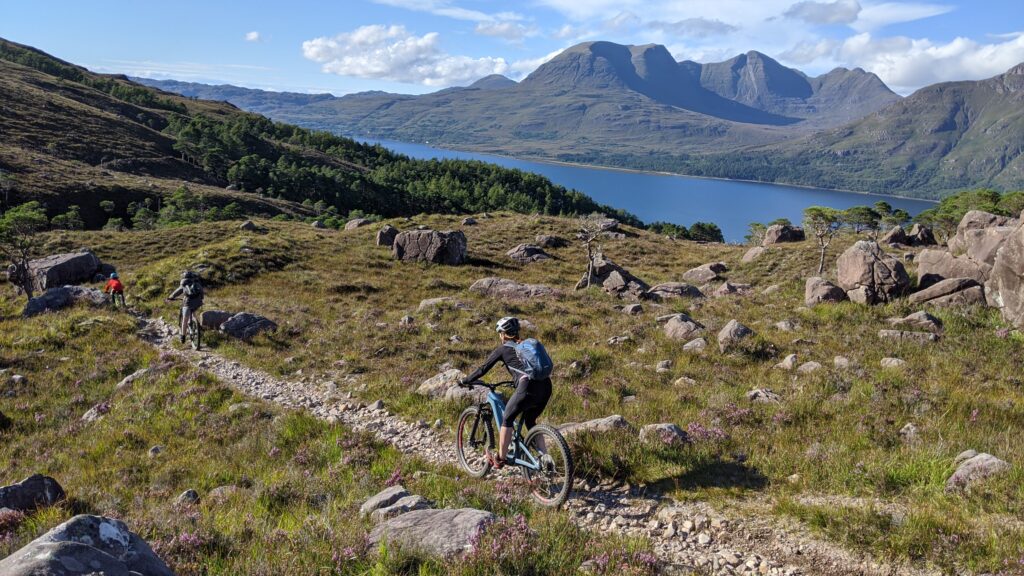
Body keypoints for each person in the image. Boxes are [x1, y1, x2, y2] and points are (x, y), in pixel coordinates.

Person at [461, 316, 552, 469]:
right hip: (546, 386)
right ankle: (545, 457)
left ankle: (501, 458)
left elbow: (483, 369)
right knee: (530, 421)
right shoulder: (526, 345)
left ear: (503, 334)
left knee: (507, 419)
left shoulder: (503, 349)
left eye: (500, 333)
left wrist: (466, 380)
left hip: (527, 385)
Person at [166, 270, 204, 343]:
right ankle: (197, 325)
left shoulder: (184, 283)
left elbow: (176, 292)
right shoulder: (196, 283)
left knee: (185, 319)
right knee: (193, 312)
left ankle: (182, 337)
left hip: (188, 302)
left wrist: (171, 297)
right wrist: (201, 299)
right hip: (198, 302)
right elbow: (201, 292)